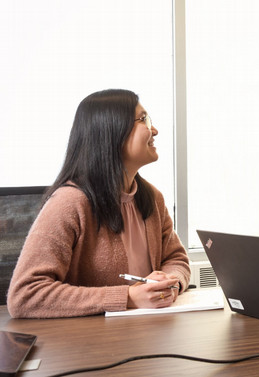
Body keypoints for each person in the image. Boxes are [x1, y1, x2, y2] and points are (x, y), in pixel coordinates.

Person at [7, 89, 190, 318]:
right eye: (144, 119)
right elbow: (25, 295)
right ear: (111, 132)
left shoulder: (152, 197)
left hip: (148, 334)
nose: (154, 130)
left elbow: (176, 258)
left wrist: (170, 282)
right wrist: (128, 297)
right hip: (91, 345)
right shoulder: (69, 202)